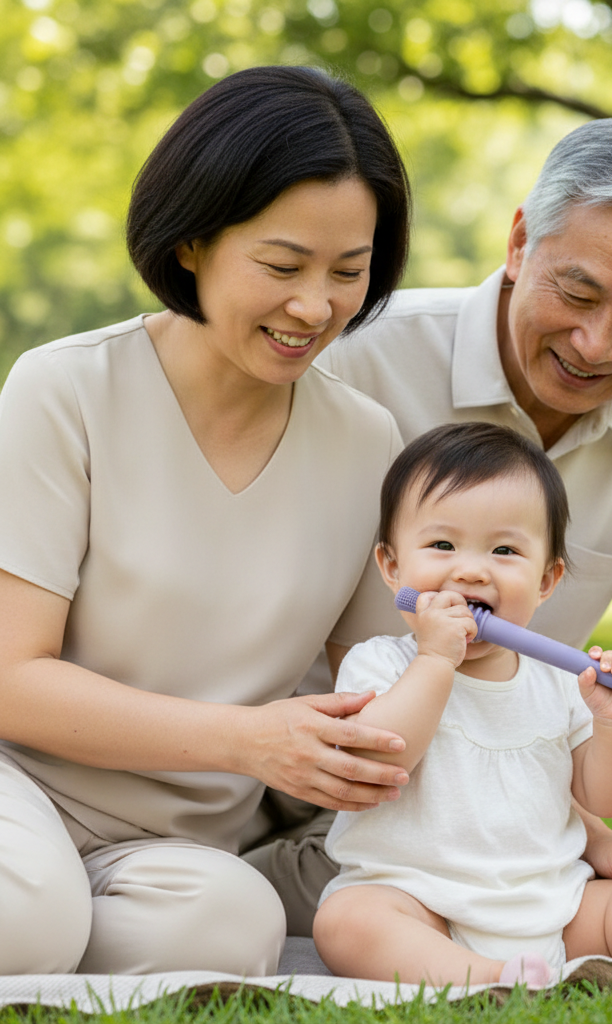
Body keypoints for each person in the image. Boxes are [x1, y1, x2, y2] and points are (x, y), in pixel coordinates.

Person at [248, 117, 612, 942]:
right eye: (578, 294)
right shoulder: (357, 356)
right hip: (294, 781)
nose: (595, 344)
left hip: (492, 812)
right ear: (520, 243)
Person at [0, 66, 416, 976]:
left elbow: (378, 685)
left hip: (172, 851)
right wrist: (247, 739)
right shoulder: (65, 389)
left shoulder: (366, 440)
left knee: (231, 931)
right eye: (281, 265)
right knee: (25, 914)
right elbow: (10, 678)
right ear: (191, 242)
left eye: (350, 271)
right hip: (14, 785)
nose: (316, 307)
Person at [311, 422, 612, 992]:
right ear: (392, 568)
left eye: (505, 550)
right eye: (442, 545)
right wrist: (436, 660)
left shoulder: (559, 681)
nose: (471, 569)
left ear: (547, 579)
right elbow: (383, 754)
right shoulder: (380, 665)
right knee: (347, 921)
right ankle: (488, 978)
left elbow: (606, 798)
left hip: (555, 903)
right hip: (420, 902)